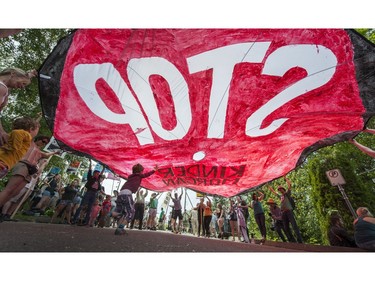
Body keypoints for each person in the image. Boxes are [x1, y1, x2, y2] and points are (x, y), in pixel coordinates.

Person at [0, 134, 56, 212]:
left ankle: (3, 211)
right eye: (43, 141)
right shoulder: (30, 143)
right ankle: (3, 211)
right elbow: (29, 135)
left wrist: (54, 152)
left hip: (30, 171)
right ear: (38, 139)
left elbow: (46, 155)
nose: (43, 144)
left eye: (45, 143)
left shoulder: (39, 151)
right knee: (10, 189)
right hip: (23, 164)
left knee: (14, 192)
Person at [112, 163, 158, 235]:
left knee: (121, 211)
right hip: (127, 194)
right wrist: (154, 170)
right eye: (142, 171)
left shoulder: (130, 177)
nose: (142, 172)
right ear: (140, 171)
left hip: (121, 193)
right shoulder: (139, 175)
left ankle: (114, 216)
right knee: (131, 212)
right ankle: (120, 227)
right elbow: (146, 175)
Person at [0, 67, 38, 146]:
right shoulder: (2, 88)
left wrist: (30, 74)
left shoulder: (5, 88)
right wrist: (2, 132)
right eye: (23, 84)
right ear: (13, 74)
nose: (22, 87)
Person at [269, 177, 303, 243]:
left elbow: (289, 185)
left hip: (289, 211)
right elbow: (274, 192)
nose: (280, 190)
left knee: (294, 225)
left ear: (283, 189)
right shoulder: (281, 197)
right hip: (283, 213)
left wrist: (285, 178)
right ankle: (292, 241)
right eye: (279, 190)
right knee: (286, 227)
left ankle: (300, 240)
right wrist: (268, 186)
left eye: (281, 189)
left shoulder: (287, 194)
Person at [72, 160, 106, 226]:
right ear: (94, 174)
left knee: (90, 208)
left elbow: (101, 173)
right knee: (81, 206)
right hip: (89, 192)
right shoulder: (90, 178)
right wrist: (90, 162)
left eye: (98, 174)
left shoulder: (98, 181)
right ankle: (74, 220)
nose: (98, 174)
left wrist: (104, 167)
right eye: (96, 173)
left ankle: (86, 222)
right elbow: (90, 170)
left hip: (94, 194)